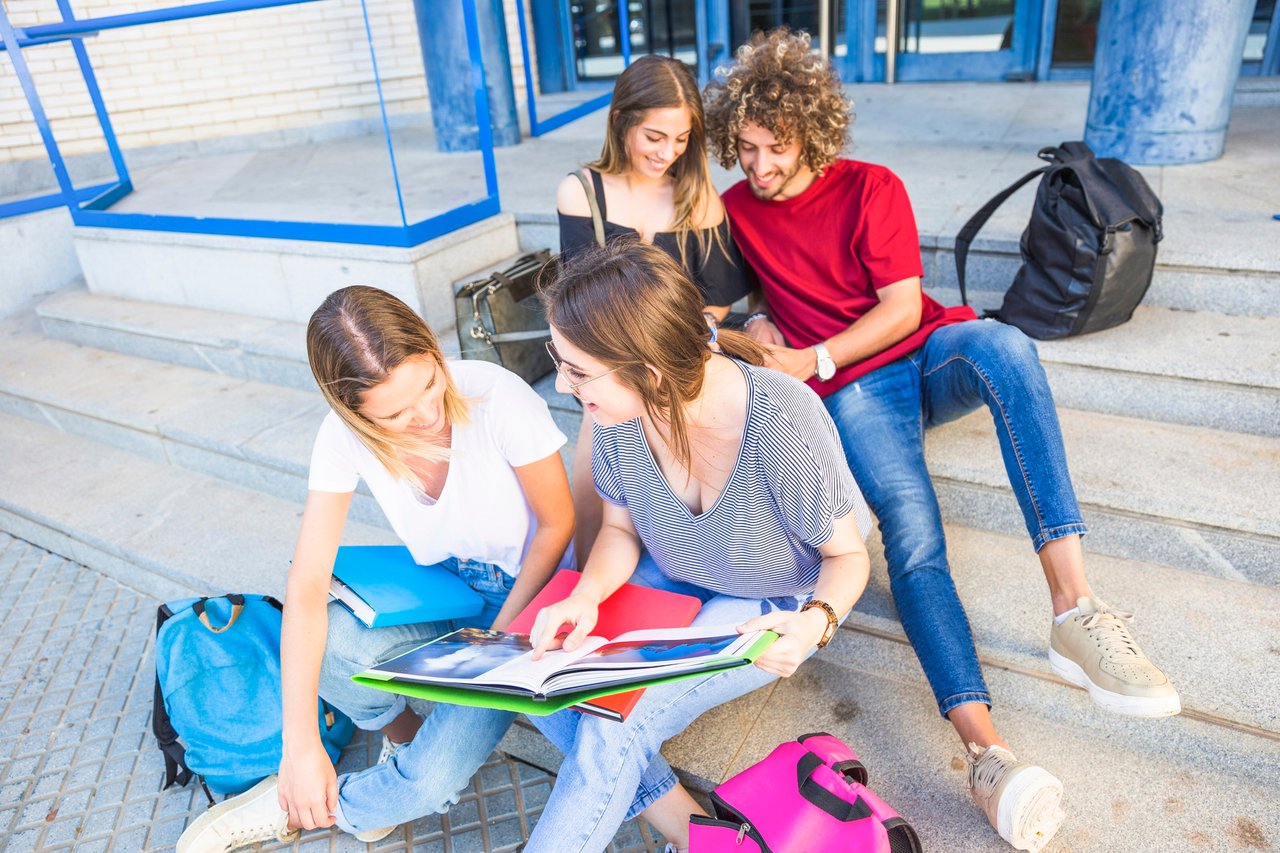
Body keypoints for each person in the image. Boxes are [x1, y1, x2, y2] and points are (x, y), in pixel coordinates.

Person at [703, 29, 1180, 853]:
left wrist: (809, 352)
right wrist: (757, 328)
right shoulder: (738, 210)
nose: (756, 165)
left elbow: (899, 305)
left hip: (915, 354)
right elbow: (721, 312)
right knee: (915, 539)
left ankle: (1075, 607)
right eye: (743, 147)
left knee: (1005, 345)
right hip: (852, 397)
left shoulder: (871, 186)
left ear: (812, 133)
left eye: (772, 147)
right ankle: (987, 755)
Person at [177, 286, 573, 851]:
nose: (426, 415)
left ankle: (316, 808)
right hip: (444, 588)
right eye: (393, 413)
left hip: (527, 596)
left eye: (430, 386)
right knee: (330, 641)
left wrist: (499, 643)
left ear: (435, 354)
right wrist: (300, 746)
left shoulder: (497, 397)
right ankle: (404, 740)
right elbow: (308, 582)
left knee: (430, 786)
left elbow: (558, 527)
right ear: (353, 412)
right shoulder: (342, 437)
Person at [520, 239, 873, 853]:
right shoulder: (617, 416)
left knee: (614, 727)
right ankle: (700, 832)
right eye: (561, 361)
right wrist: (588, 593)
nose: (561, 382)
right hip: (670, 572)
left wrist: (816, 622)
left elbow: (848, 557)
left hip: (775, 596)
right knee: (550, 681)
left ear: (650, 372)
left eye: (577, 371)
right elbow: (621, 530)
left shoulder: (779, 416)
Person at [557, 54, 751, 565]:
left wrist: (672, 348)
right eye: (654, 137)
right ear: (621, 122)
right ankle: (584, 572)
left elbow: (719, 297)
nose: (668, 152)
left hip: (684, 353)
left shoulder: (697, 196)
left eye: (682, 139)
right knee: (596, 431)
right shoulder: (583, 193)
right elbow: (580, 299)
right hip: (610, 358)